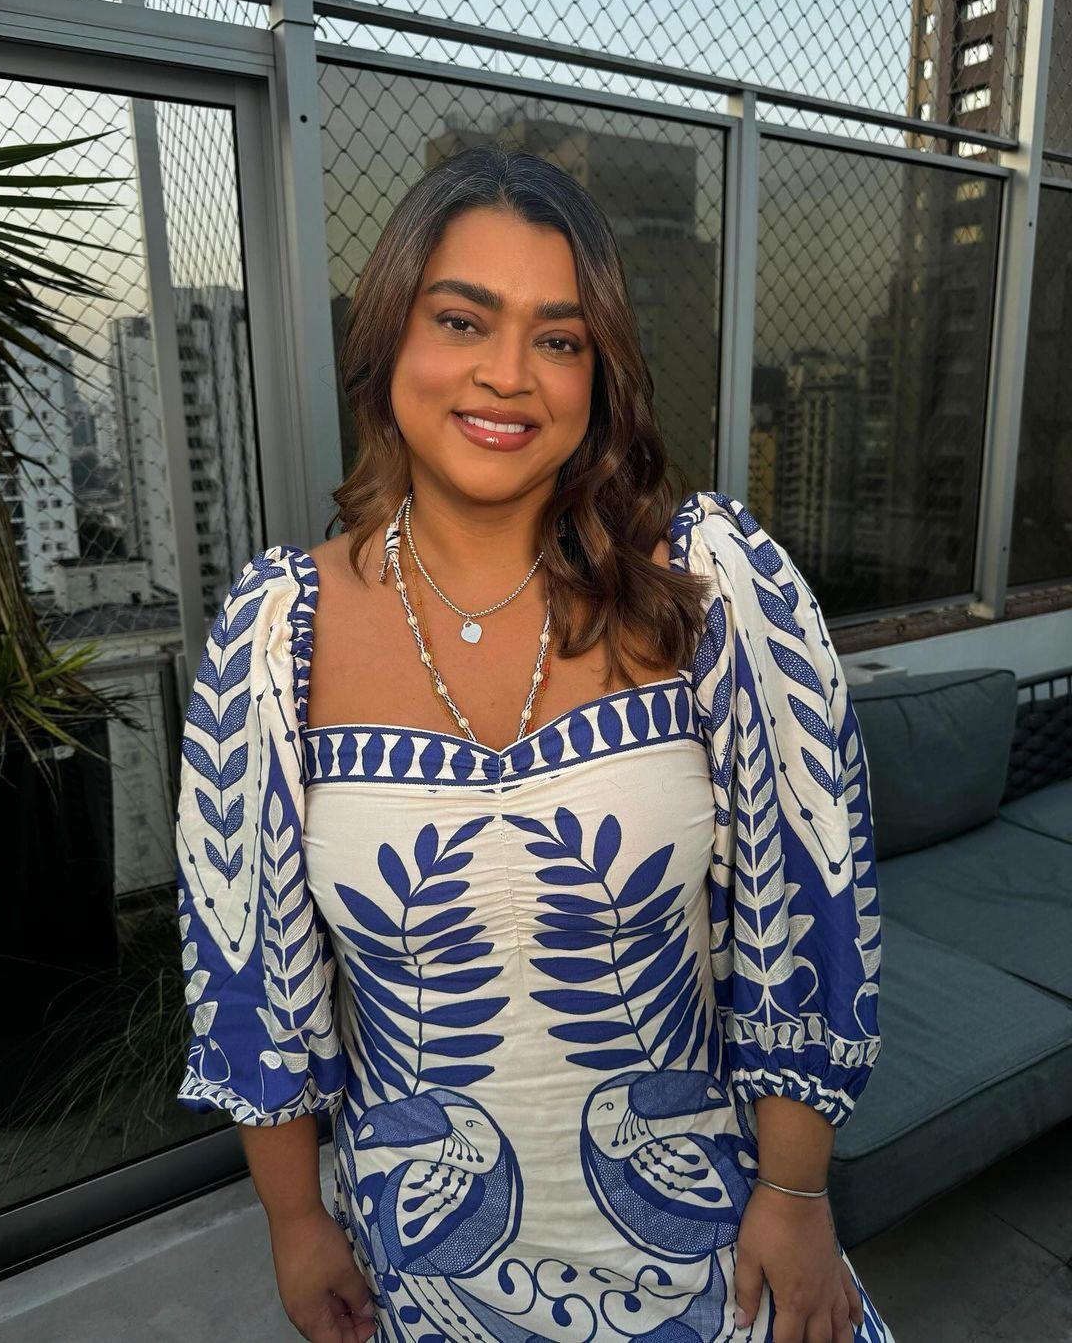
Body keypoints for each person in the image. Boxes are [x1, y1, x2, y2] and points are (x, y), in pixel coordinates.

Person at [174, 144, 893, 1343]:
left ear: (598, 375)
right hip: (427, 1269)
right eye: (462, 319)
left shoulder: (711, 583)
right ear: (389, 336)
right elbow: (249, 975)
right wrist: (295, 1221)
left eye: (559, 338)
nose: (507, 375)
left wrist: (798, 1190)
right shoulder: (275, 633)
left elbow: (810, 908)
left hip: (717, 1253)